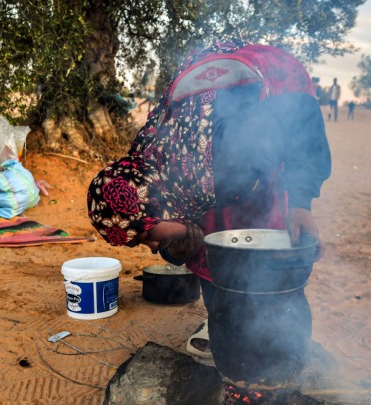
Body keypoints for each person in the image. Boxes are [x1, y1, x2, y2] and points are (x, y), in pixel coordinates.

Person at [87, 40, 331, 358]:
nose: (149, 246)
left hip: (268, 83)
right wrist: (176, 248)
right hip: (205, 131)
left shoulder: (231, 147)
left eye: (146, 236)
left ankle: (283, 338)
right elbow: (179, 233)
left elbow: (301, 113)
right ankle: (223, 322)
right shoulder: (154, 171)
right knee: (212, 243)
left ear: (152, 212)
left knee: (261, 226)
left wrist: (300, 203)